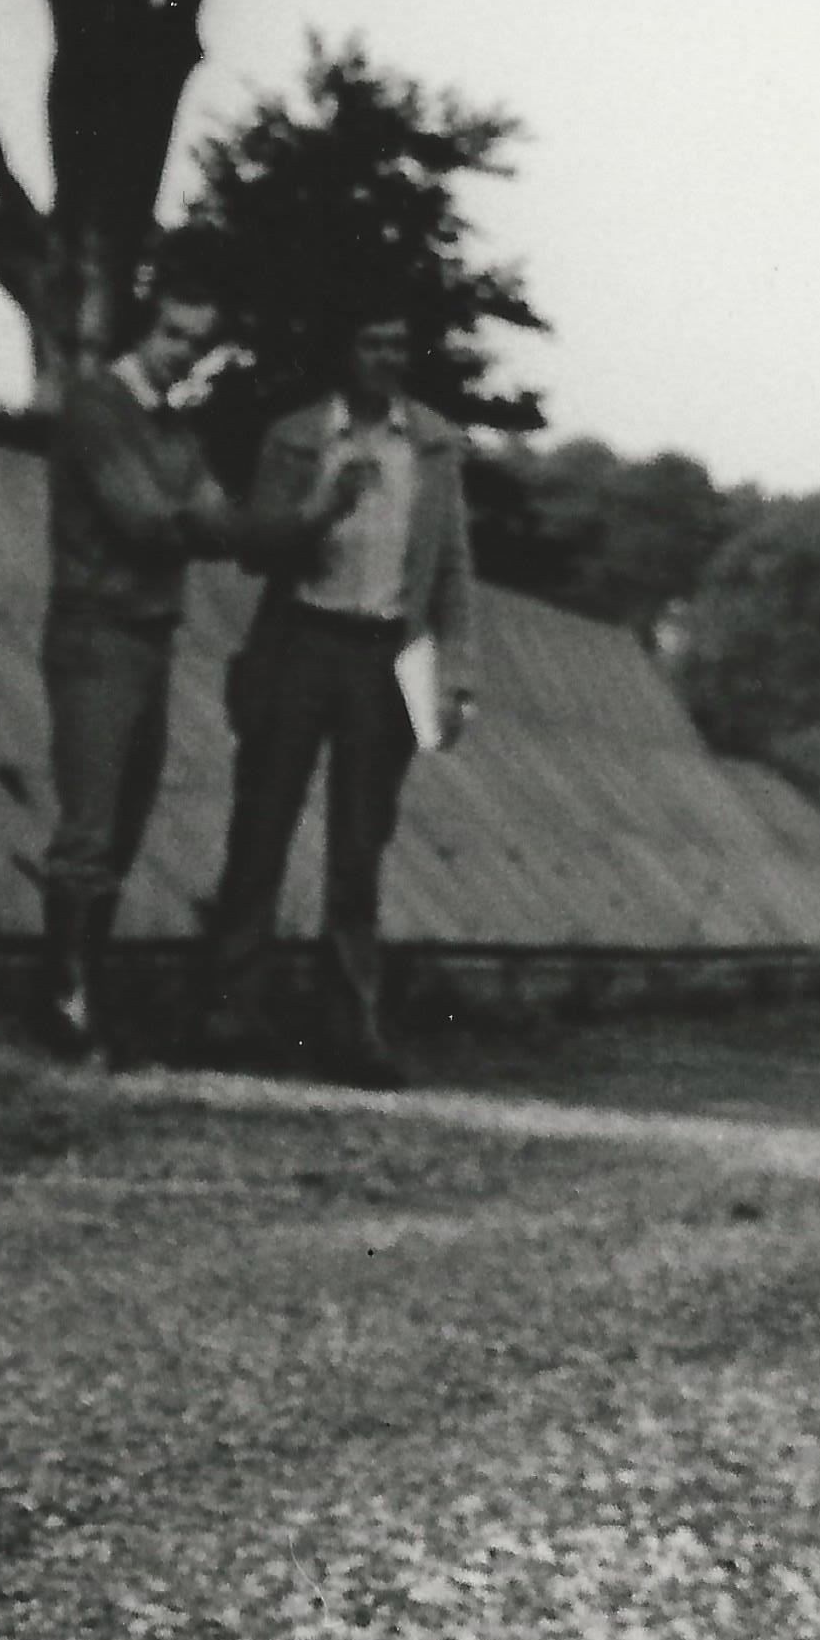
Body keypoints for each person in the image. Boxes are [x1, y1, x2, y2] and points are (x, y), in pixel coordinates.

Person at [30, 281, 337, 1059]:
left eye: (198, 343)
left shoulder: (173, 428)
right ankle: (65, 1010)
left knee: (122, 826)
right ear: (144, 331)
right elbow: (146, 520)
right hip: (97, 632)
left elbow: (214, 518)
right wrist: (224, 525)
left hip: (148, 636)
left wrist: (309, 520)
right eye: (174, 335)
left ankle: (78, 1002)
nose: (185, 355)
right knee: (92, 828)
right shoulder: (98, 409)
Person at [189, 308, 479, 1084]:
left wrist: (457, 672)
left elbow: (451, 565)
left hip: (385, 655)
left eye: (397, 343)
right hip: (299, 641)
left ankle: (352, 1029)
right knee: (262, 828)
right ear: (344, 352)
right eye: (370, 342)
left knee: (360, 846)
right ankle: (231, 1010)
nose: (386, 358)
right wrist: (322, 510)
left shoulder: (435, 446)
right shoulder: (298, 437)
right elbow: (253, 549)